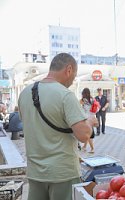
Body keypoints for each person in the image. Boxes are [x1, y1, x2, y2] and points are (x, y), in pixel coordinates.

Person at [18, 53, 96, 200]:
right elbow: (83, 136)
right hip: (62, 173)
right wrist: (90, 122)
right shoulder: (65, 95)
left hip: (35, 172)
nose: (73, 81)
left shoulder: (25, 93)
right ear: (69, 70)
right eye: (74, 75)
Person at [80, 88, 97, 153]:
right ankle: (84, 147)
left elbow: (78, 108)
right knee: (88, 133)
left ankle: (92, 149)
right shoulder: (92, 99)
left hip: (86, 118)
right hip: (92, 118)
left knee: (89, 134)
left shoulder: (82, 100)